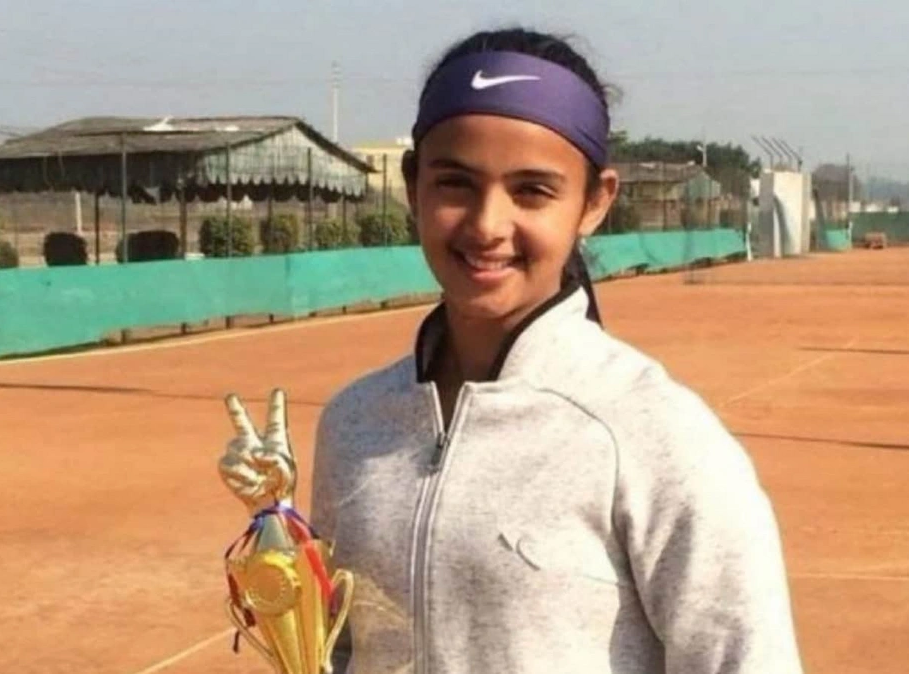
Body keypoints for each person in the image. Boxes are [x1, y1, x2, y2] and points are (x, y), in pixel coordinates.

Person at [309, 27, 803, 674]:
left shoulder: (655, 435)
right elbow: (337, 646)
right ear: (413, 185)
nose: (487, 225)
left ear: (594, 203)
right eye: (455, 183)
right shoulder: (353, 423)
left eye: (532, 191)